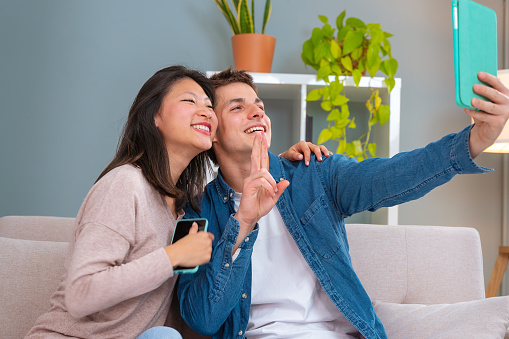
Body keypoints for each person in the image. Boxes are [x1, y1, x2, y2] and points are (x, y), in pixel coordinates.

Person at [177, 68, 509, 338]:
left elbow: (389, 177)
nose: (257, 112)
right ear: (213, 133)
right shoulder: (196, 211)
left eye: (259, 105)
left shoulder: (314, 173)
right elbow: (202, 319)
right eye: (237, 107)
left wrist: (473, 141)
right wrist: (243, 223)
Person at [24, 65, 328, 339]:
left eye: (209, 106)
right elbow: (80, 295)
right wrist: (173, 257)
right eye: (190, 101)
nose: (206, 112)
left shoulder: (190, 205)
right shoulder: (125, 184)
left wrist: (282, 166)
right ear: (154, 115)